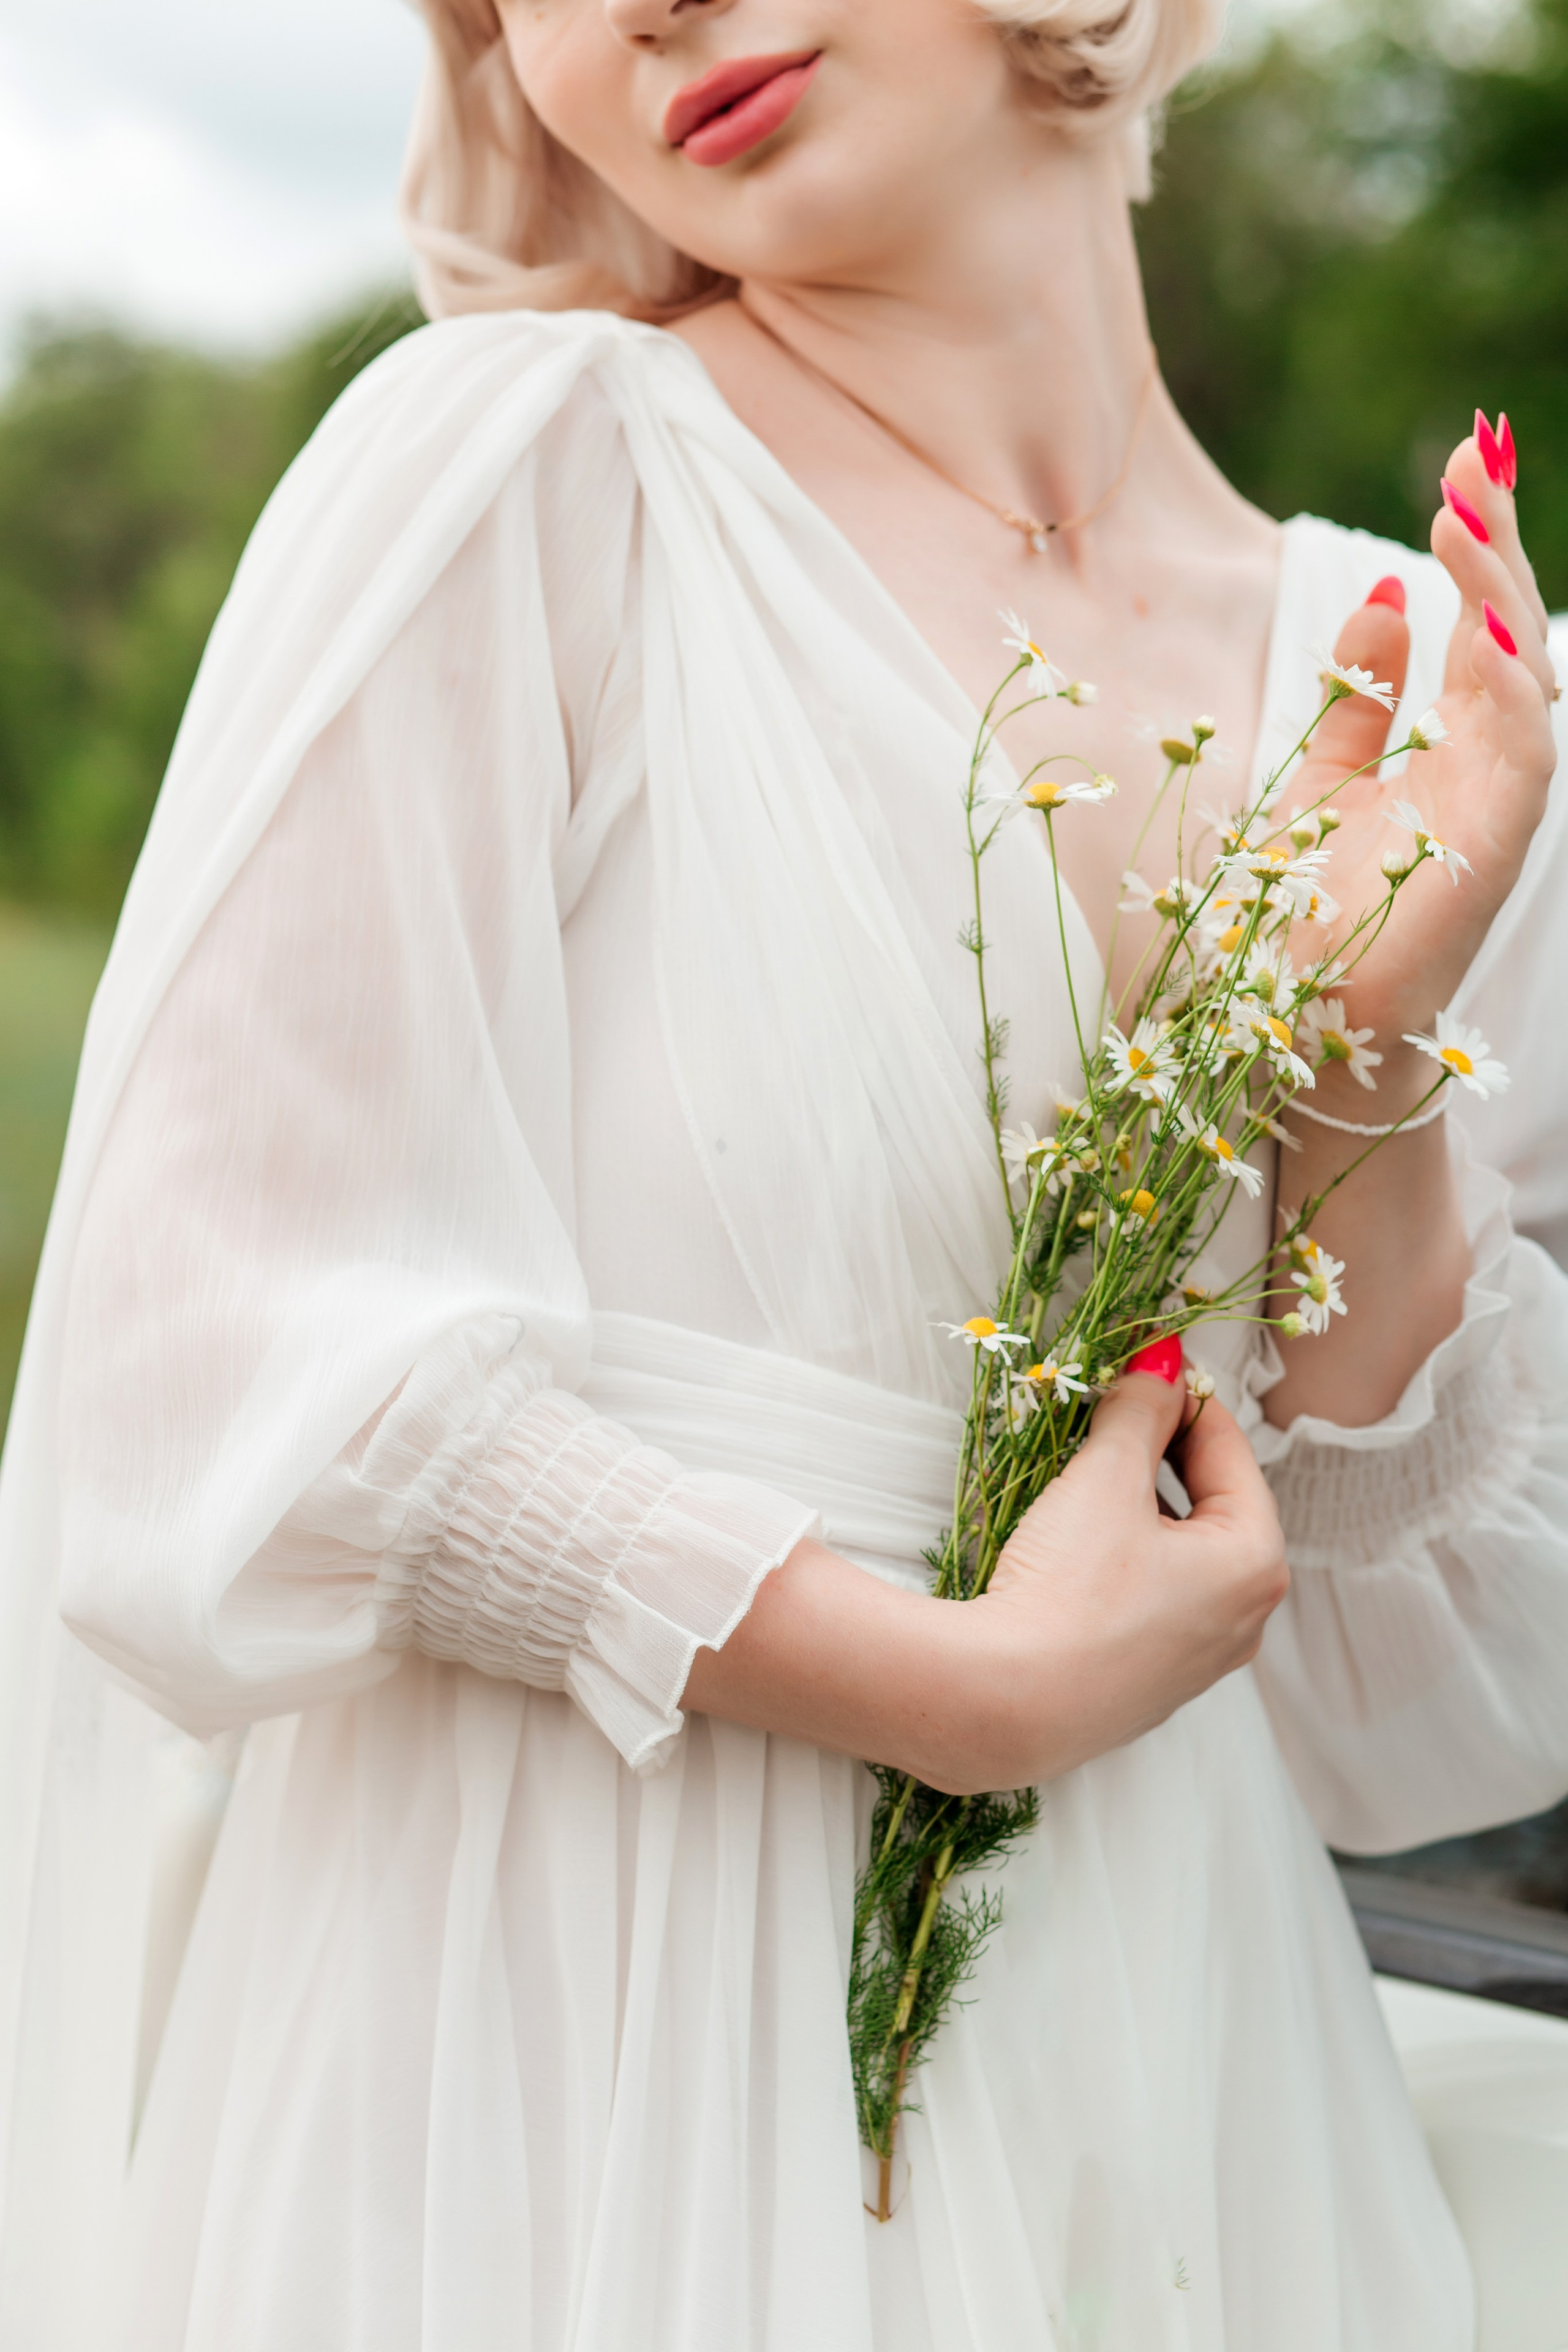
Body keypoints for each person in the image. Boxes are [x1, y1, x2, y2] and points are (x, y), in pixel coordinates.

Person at [1, 1, 1565, 2345]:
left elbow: (1378, 1703)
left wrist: (1355, 1068)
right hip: (545, 2063)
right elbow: (202, 1357)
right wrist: (945, 1687)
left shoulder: (1432, 692)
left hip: (1168, 2070)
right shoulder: (519, 465)